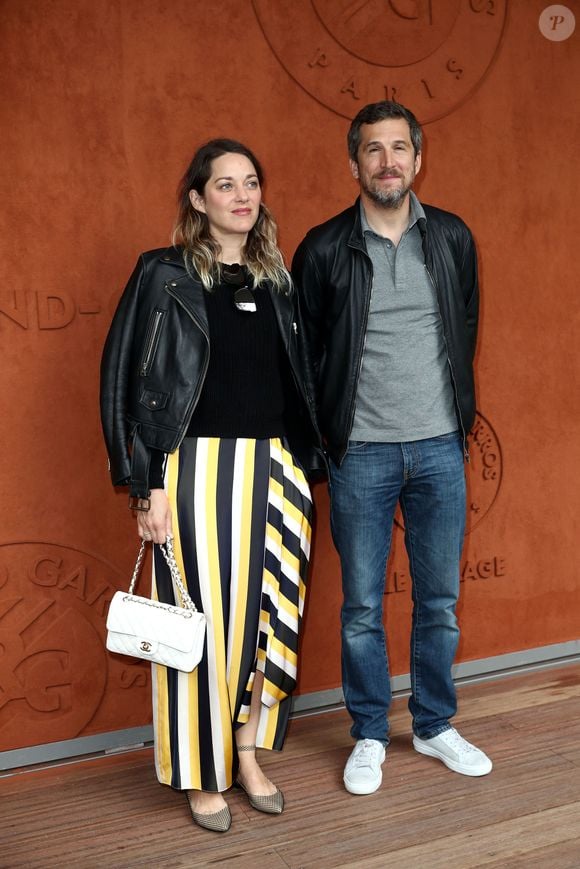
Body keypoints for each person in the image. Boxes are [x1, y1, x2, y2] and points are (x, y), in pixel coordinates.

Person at [100, 139, 323, 832]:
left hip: (278, 470)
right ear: (198, 200)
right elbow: (125, 383)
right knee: (203, 627)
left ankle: (248, 754)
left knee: (269, 622)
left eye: (250, 182)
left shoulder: (276, 280)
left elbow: (298, 383)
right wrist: (146, 484)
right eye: (224, 184)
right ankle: (203, 772)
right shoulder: (162, 274)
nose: (241, 195)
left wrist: (308, 460)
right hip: (193, 470)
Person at [292, 101, 492, 796]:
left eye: (399, 147)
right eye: (373, 150)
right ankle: (371, 732)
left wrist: (455, 422)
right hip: (361, 455)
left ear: (418, 157)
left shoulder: (453, 238)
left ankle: (435, 723)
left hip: (439, 447)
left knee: (438, 600)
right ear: (354, 163)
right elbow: (310, 354)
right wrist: (327, 441)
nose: (387, 161)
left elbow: (463, 328)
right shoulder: (323, 248)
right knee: (363, 607)